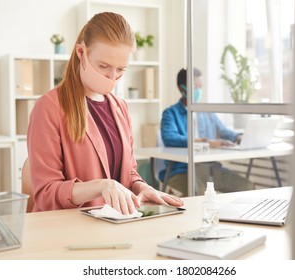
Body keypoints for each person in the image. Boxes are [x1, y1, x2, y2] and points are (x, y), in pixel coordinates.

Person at [27, 12, 184, 213]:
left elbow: (129, 172)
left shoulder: (120, 107)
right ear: (81, 53)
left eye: (121, 69)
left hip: (114, 223)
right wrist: (101, 186)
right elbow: (46, 194)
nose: (112, 77)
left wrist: (141, 187)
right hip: (68, 230)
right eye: (103, 66)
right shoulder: (49, 107)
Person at [159, 68, 253, 196]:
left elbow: (224, 131)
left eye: (200, 86)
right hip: (182, 171)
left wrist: (239, 137)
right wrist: (206, 142)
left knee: (247, 186)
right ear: (182, 89)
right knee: (200, 194)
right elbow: (170, 138)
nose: (198, 90)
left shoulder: (206, 111)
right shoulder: (170, 113)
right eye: (194, 86)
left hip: (211, 169)